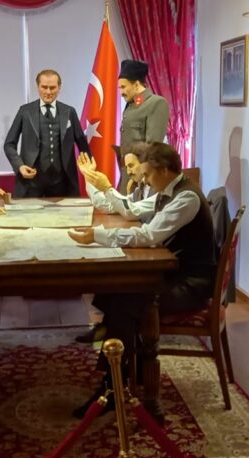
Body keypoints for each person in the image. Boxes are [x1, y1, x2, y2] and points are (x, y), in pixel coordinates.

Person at [67, 142, 216, 417]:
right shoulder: (167, 192)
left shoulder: (186, 198)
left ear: (164, 170)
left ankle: (113, 387)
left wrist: (98, 236)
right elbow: (136, 217)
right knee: (115, 290)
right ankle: (124, 368)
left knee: (127, 302)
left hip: (191, 285)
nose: (144, 180)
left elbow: (148, 235)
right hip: (174, 273)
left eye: (147, 174)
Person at [72, 142, 156, 344]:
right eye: (126, 167)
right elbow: (110, 206)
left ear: (146, 164)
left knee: (118, 279)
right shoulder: (140, 187)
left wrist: (108, 187)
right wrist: (89, 177)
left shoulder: (156, 191)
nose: (128, 171)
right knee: (110, 273)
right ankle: (109, 328)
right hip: (146, 248)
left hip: (156, 257)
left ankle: (118, 339)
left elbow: (129, 211)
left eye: (132, 166)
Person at [3, 69, 91, 197]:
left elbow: (83, 146)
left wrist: (89, 171)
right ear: (37, 86)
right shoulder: (25, 111)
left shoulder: (69, 112)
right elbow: (9, 144)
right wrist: (19, 166)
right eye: (44, 87)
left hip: (63, 183)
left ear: (59, 87)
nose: (48, 92)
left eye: (52, 88)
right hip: (31, 182)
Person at [117, 60, 169, 188]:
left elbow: (153, 146)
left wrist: (140, 177)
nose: (121, 92)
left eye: (123, 87)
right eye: (119, 88)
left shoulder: (157, 103)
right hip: (128, 173)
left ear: (136, 84)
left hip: (143, 177)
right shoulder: (131, 105)